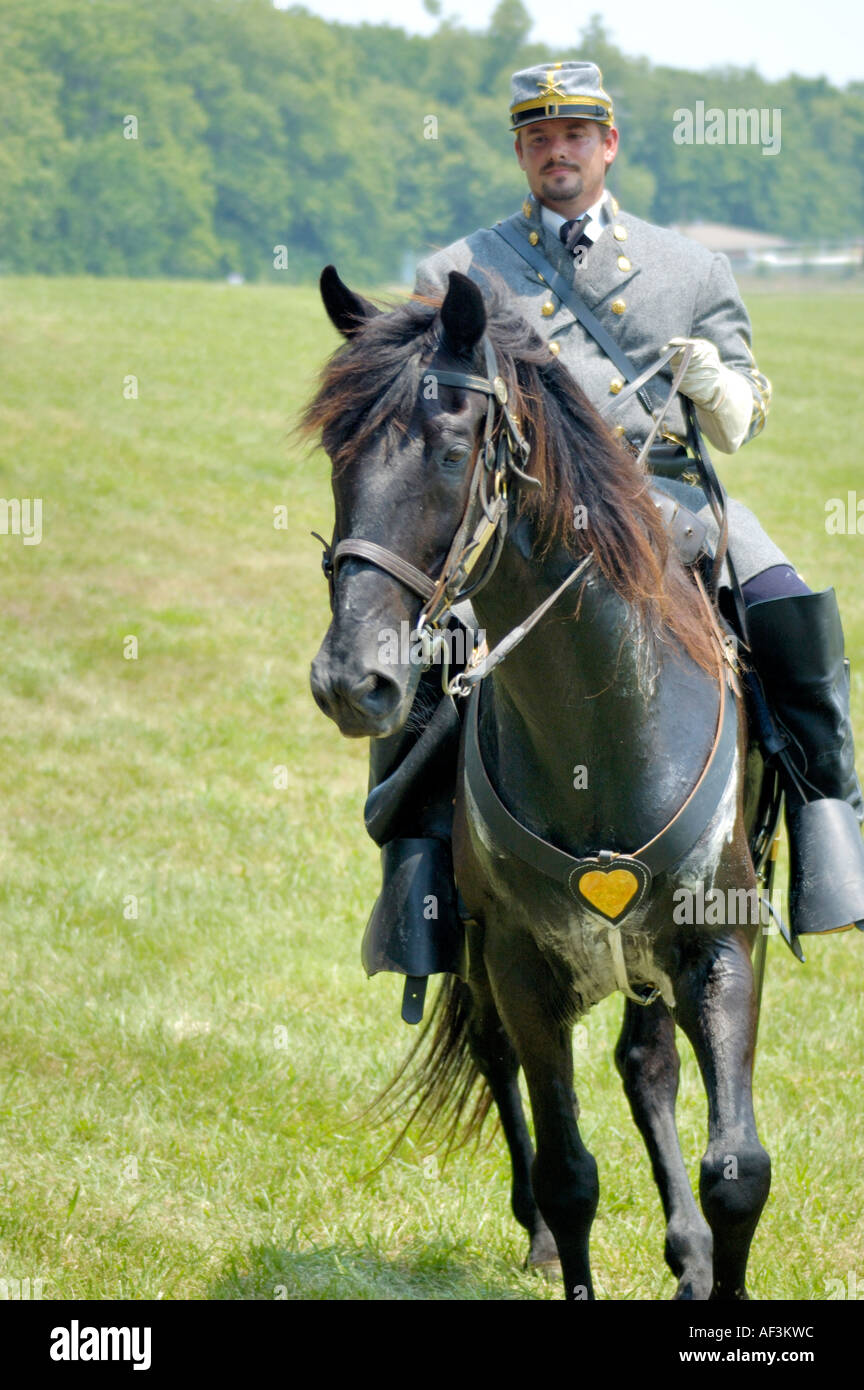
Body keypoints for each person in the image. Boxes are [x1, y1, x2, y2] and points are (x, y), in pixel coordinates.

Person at [360, 61, 864, 1010]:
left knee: (789, 606)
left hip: (667, 507)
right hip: (520, 526)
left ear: (608, 145)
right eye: (540, 136)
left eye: (577, 134)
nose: (560, 150)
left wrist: (716, 382)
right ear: (520, 150)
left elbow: (743, 420)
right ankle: (419, 870)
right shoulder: (456, 272)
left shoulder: (691, 269)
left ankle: (829, 822)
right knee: (426, 653)